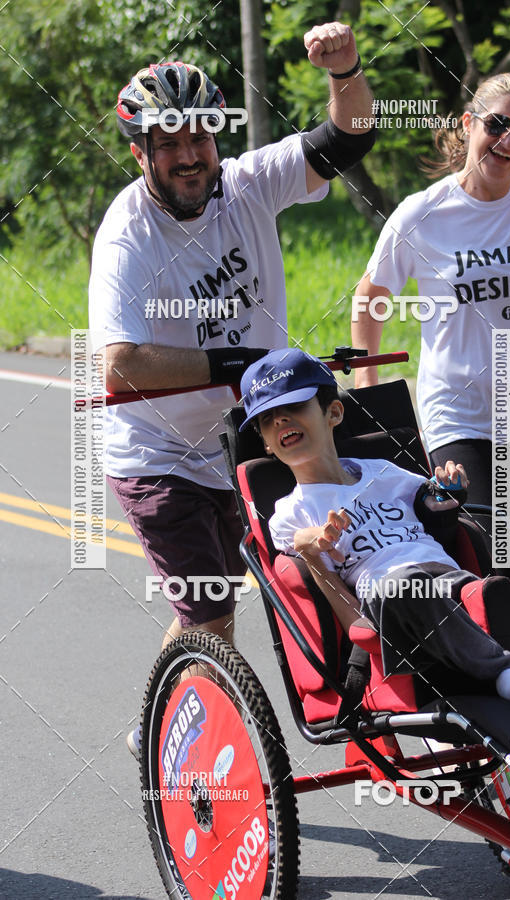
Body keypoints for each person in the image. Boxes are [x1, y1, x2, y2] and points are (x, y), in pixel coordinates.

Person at [89, 22, 376, 756]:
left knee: (286, 574)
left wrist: (345, 72)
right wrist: (243, 363)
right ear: (141, 151)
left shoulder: (246, 185)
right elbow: (119, 363)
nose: (189, 156)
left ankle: (156, 717)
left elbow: (346, 140)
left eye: (200, 139)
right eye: (169, 143)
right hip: (158, 450)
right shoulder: (129, 234)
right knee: (214, 609)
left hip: (246, 436)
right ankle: (206, 752)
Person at [239, 348, 510, 702]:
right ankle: (508, 672)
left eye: (294, 408)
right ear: (267, 444)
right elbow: (348, 616)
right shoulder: (290, 513)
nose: (280, 421)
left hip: (460, 589)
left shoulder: (382, 471)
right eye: (267, 419)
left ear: (333, 412)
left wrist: (446, 495)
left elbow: (434, 507)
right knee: (401, 584)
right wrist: (310, 547)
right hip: (395, 607)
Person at [351, 72, 510, 554]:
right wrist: (368, 390)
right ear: (468, 123)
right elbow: (371, 296)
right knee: (481, 556)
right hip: (458, 410)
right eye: (497, 124)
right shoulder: (424, 214)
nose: (509, 141)